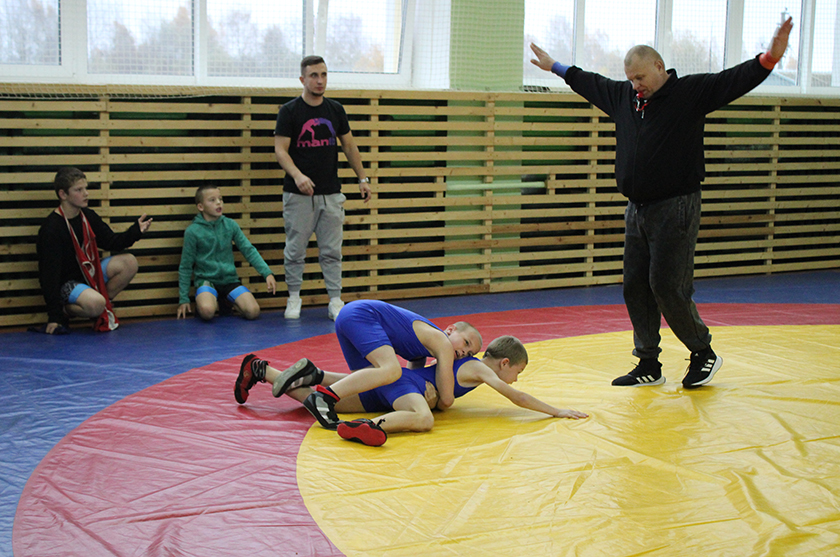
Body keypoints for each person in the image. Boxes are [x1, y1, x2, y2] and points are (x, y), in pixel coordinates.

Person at [529, 16, 794, 389]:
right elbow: (589, 81)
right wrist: (554, 66)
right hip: (637, 209)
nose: (635, 85)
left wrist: (769, 59)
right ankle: (648, 363)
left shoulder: (689, 93)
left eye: (640, 77)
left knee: (668, 285)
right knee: (635, 286)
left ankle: (703, 352)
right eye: (630, 79)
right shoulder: (625, 97)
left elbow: (732, 80)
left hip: (675, 206)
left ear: (659, 67)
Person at [235, 335, 588, 446]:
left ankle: (263, 370)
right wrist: (556, 411)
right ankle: (372, 426)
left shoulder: (469, 368)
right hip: (406, 388)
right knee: (423, 420)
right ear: (504, 363)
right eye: (517, 372)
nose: (516, 380)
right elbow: (515, 397)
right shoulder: (479, 367)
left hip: (399, 386)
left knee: (328, 402)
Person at [235, 299, 483, 428]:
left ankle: (263, 370)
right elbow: (447, 399)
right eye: (467, 343)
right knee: (389, 369)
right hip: (362, 316)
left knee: (366, 385)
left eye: (471, 352)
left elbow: (412, 380)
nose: (465, 352)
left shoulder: (422, 351)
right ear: (451, 329)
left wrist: (424, 395)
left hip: (351, 318)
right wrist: (436, 400)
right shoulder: (441, 341)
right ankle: (324, 397)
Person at [274, 55, 372, 321]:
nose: (320, 80)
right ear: (302, 79)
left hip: (331, 192)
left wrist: (362, 178)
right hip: (299, 195)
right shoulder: (290, 111)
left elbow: (349, 145)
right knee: (295, 250)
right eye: (314, 75)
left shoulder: (335, 110)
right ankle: (294, 297)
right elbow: (281, 150)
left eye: (324, 74)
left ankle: (335, 300)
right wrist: (298, 176)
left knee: (332, 251)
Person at [35, 167, 152, 334]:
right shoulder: (51, 229)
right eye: (79, 190)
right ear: (63, 194)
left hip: (88, 274)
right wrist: (55, 316)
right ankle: (67, 310)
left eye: (86, 188)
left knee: (129, 262)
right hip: (67, 283)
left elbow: (112, 242)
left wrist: (136, 231)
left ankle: (99, 305)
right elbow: (49, 276)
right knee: (96, 303)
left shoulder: (87, 216)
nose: (86, 193)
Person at [176, 184, 276, 321]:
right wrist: (183, 299)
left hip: (229, 281)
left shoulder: (230, 225)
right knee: (207, 312)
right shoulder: (192, 231)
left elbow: (248, 250)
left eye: (220, 199)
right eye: (212, 200)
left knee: (253, 311)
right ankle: (204, 302)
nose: (218, 203)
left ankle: (228, 301)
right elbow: (186, 266)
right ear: (200, 207)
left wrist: (267, 273)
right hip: (207, 281)